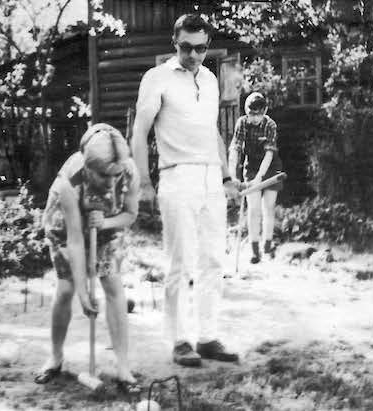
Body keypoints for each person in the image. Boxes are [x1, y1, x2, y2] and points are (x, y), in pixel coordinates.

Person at [131, 14, 241, 367]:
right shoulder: (157, 78)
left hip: (211, 178)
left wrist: (227, 177)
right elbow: (139, 132)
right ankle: (179, 341)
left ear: (208, 47)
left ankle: (207, 337)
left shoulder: (209, 79)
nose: (193, 55)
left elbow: (213, 133)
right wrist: (143, 182)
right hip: (177, 176)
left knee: (213, 260)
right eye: (186, 47)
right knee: (180, 263)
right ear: (174, 43)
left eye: (201, 48)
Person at [35, 123, 141, 392]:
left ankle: (123, 368)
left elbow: (130, 214)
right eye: (104, 175)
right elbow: (75, 239)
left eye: (115, 174)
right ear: (88, 167)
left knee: (113, 285)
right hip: (65, 228)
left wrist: (105, 222)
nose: (111, 182)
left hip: (105, 226)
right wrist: (83, 292)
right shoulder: (68, 182)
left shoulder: (129, 172)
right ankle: (55, 358)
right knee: (67, 288)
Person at [228, 92, 283, 263]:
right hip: (251, 167)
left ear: (264, 111)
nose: (254, 118)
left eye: (258, 114)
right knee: (253, 209)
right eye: (251, 114)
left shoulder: (270, 125)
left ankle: (267, 245)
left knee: (268, 207)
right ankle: (254, 251)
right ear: (247, 112)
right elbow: (235, 149)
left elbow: (269, 154)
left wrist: (260, 177)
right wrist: (232, 175)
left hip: (270, 166)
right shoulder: (242, 123)